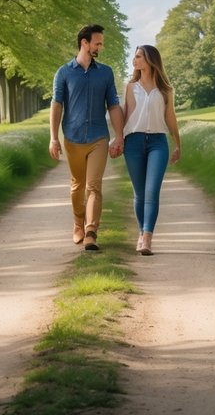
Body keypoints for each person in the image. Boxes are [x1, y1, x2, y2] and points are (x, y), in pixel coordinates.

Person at [50, 24, 125, 251]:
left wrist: (119, 136)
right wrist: (54, 138)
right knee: (77, 186)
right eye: (97, 43)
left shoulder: (105, 72)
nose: (100, 47)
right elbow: (57, 105)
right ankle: (77, 224)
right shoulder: (64, 73)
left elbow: (113, 105)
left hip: (98, 138)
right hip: (72, 138)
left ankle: (91, 231)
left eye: (101, 43)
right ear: (84, 43)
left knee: (94, 186)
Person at [121, 44, 181, 256]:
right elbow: (125, 115)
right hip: (133, 142)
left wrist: (177, 143)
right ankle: (140, 233)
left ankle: (147, 239)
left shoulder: (165, 90)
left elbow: (170, 117)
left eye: (138, 57)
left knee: (151, 191)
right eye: (134, 57)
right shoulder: (130, 87)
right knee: (139, 193)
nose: (134, 60)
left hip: (158, 142)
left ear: (150, 60)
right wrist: (118, 139)